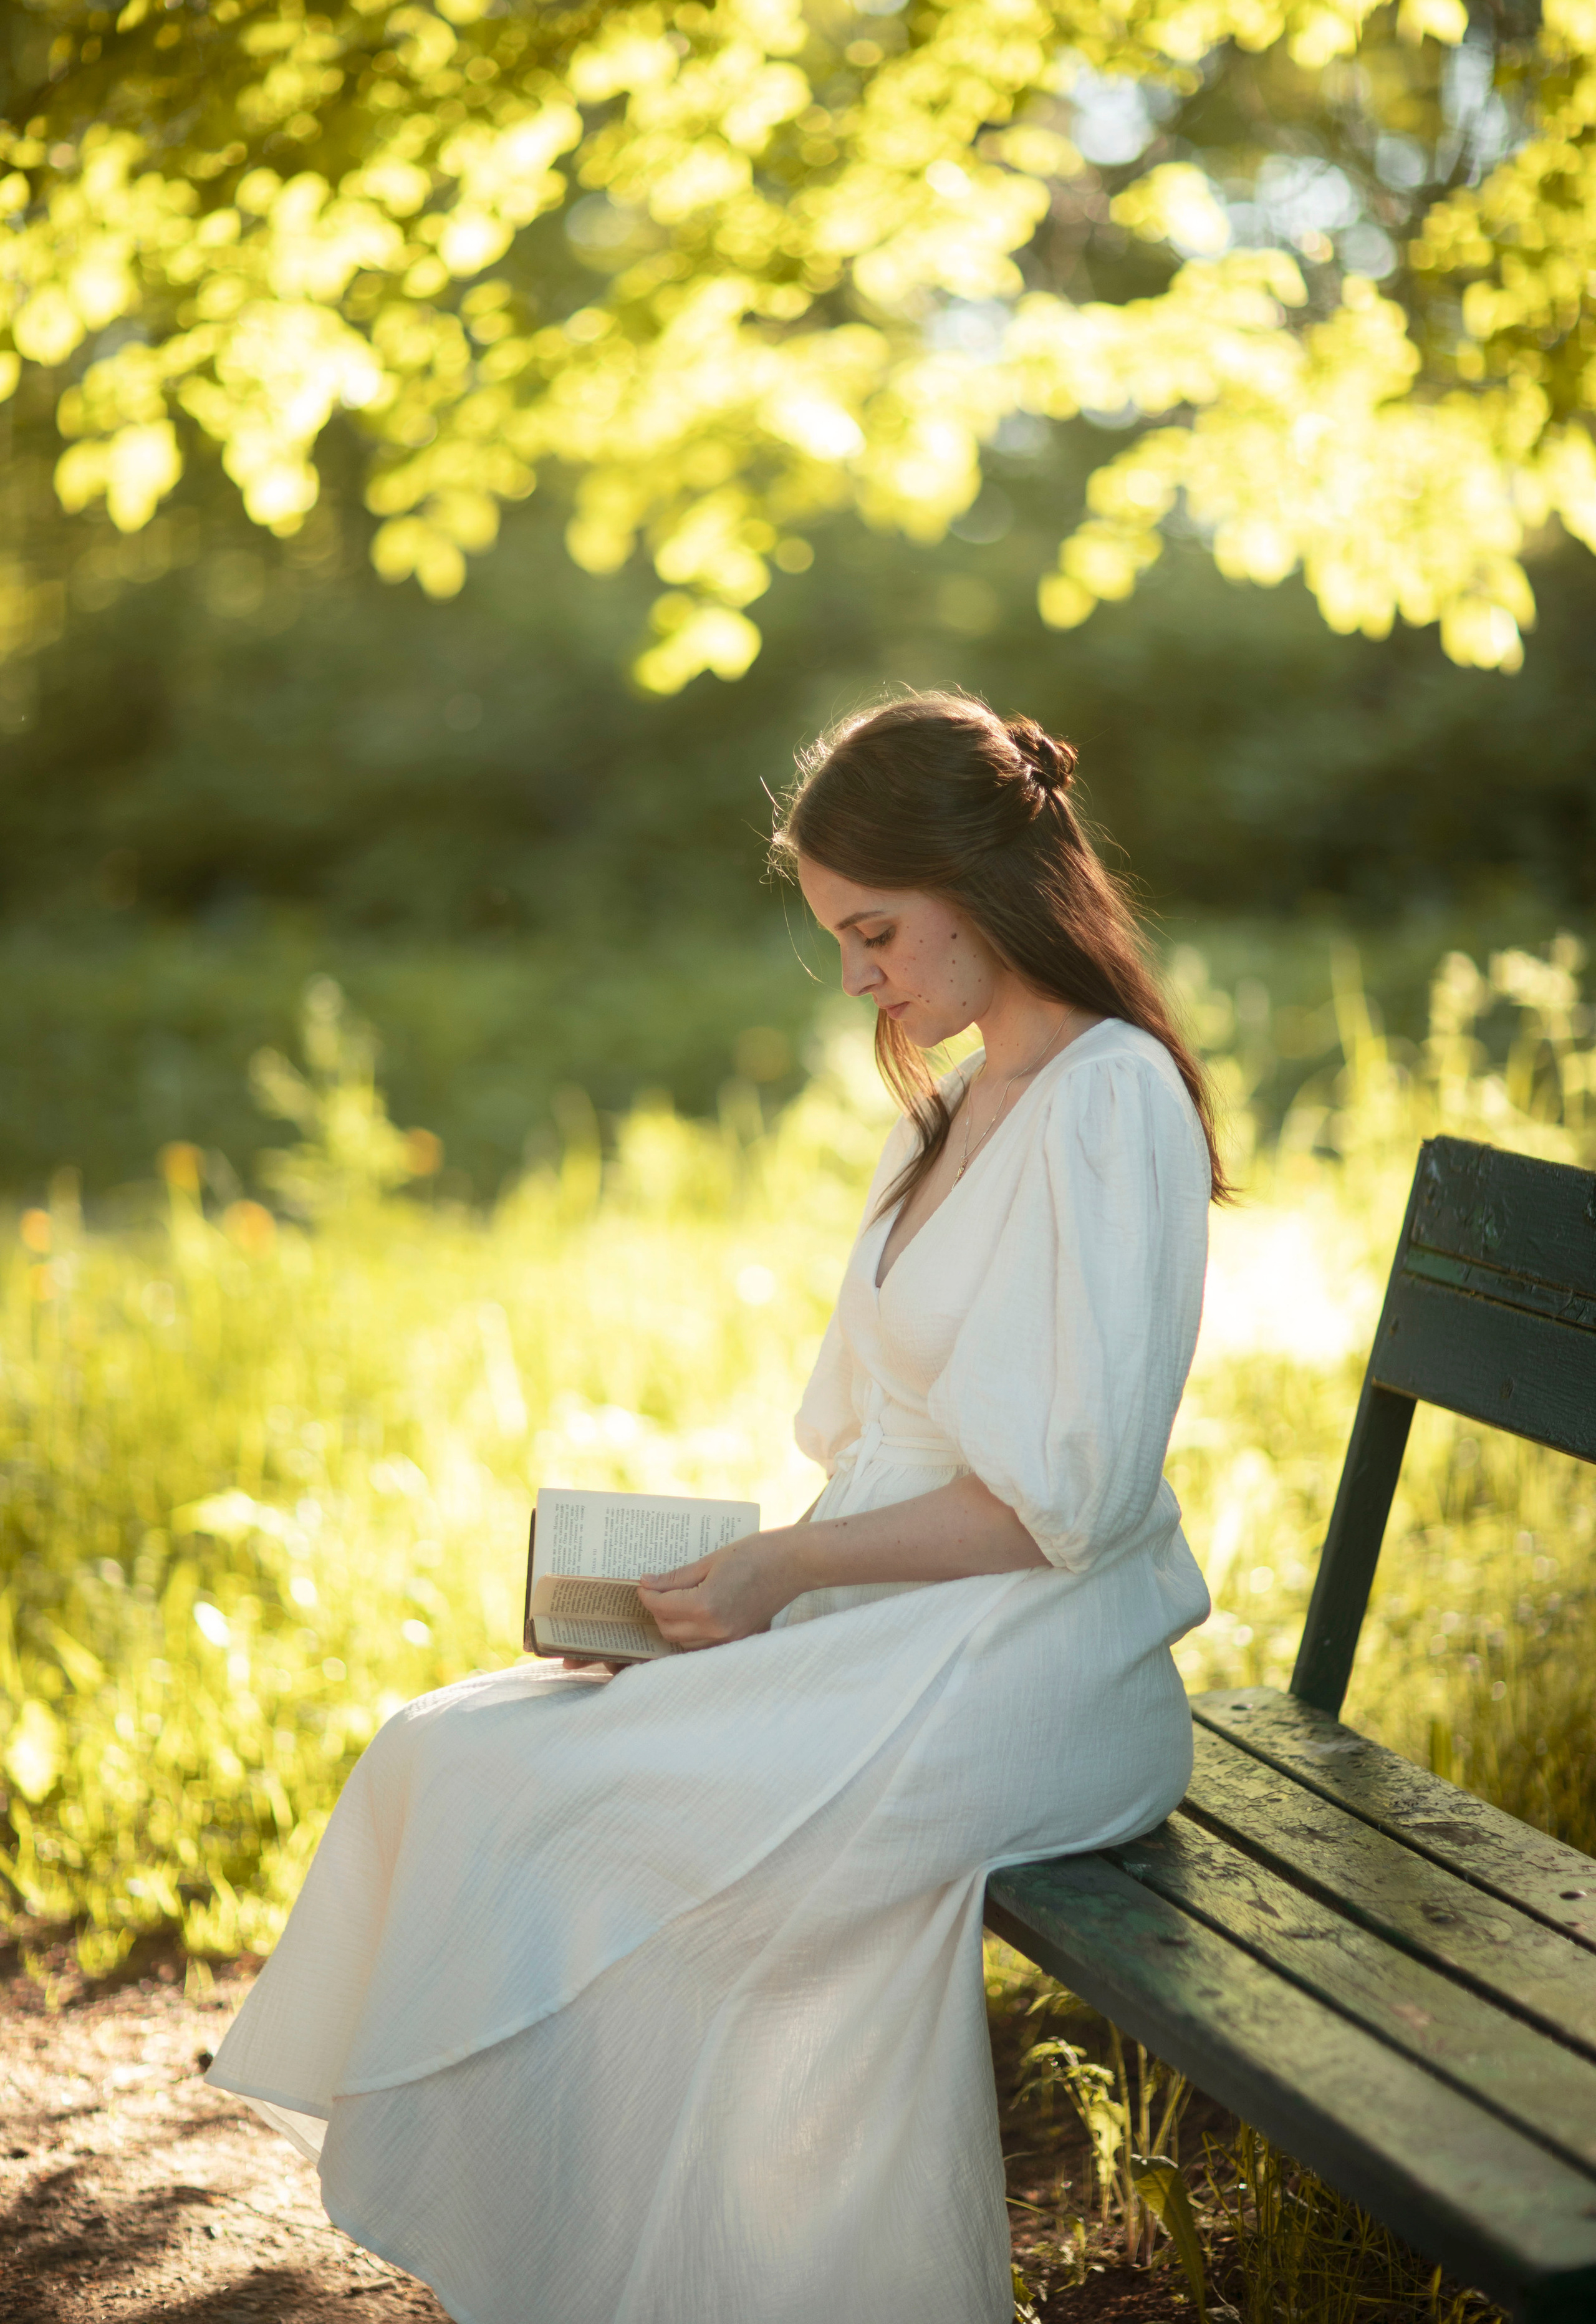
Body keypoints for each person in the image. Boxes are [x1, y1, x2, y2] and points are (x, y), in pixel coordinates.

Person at [208, 689, 1224, 2324]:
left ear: (984, 875)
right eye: (840, 937)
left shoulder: (1112, 1100)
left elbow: (1069, 1506)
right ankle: (638, 2267)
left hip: (1035, 1661)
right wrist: (723, 1595)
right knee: (455, 1749)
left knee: (547, 1804)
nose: (859, 977)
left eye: (876, 930)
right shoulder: (964, 1107)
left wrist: (783, 1577)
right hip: (897, 1612)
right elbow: (877, 1449)